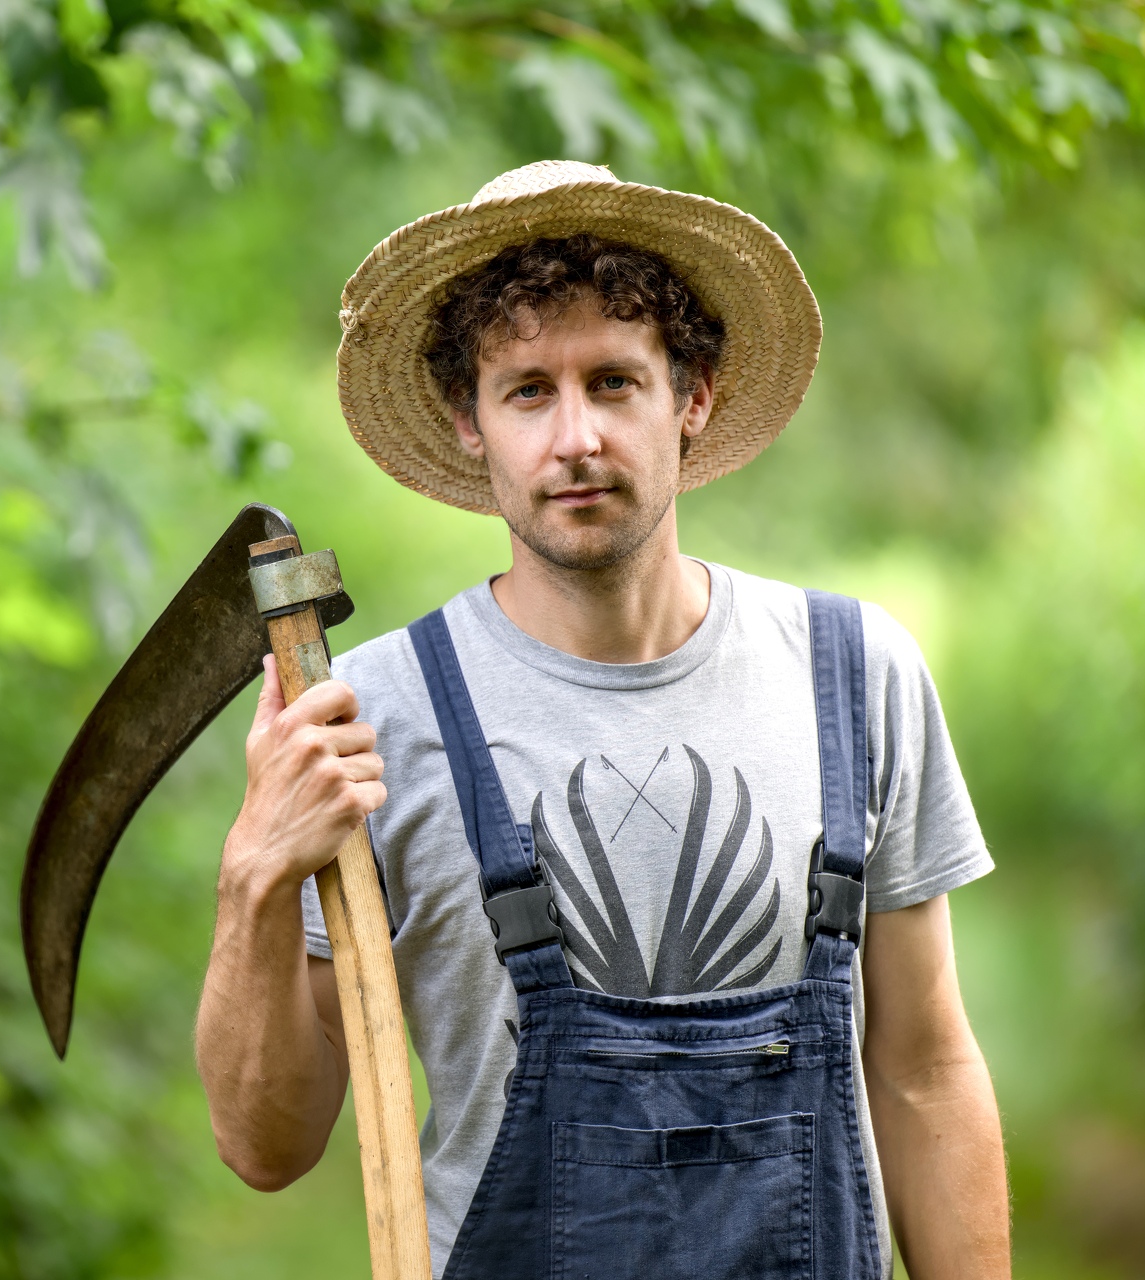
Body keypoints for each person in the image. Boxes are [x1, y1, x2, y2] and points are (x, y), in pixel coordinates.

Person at [194, 162, 1011, 1279]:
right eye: (527, 389)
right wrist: (254, 873)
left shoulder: (854, 673)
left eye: (614, 381)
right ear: (468, 421)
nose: (574, 436)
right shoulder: (376, 717)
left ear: (693, 397)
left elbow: (921, 1067)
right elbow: (266, 1146)